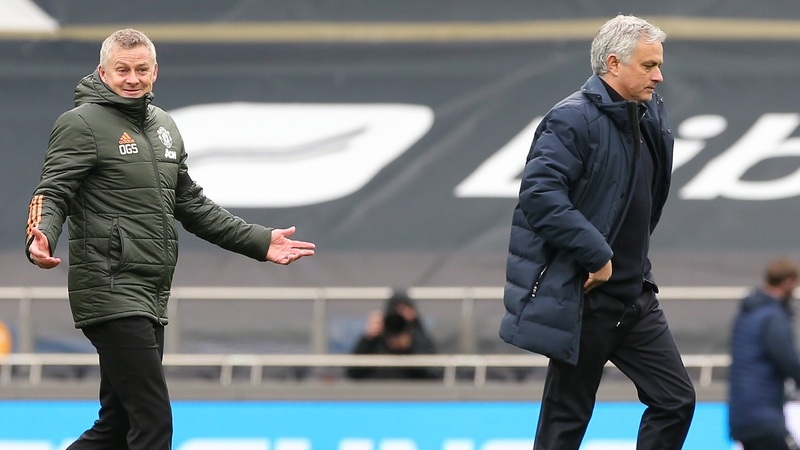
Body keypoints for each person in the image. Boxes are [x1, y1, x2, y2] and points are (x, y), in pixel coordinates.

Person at [25, 29, 315, 450]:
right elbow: (52, 192)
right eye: (122, 70)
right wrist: (42, 236)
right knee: (153, 420)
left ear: (155, 72)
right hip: (109, 288)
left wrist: (258, 240)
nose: (132, 78)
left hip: (150, 291)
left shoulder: (165, 127)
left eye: (141, 69)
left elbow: (192, 205)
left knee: (116, 426)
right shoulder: (81, 124)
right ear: (103, 72)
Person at [498, 15, 695, 449]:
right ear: (613, 63)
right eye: (649, 66)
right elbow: (539, 196)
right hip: (587, 297)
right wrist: (597, 254)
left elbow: (640, 202)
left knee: (676, 400)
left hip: (636, 295)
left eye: (659, 65)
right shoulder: (572, 119)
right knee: (565, 423)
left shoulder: (650, 115)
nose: (659, 76)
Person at [729, 258, 800, 450]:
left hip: (742, 416)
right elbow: (789, 360)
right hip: (764, 416)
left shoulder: (747, 313)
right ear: (789, 282)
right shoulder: (773, 316)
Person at [347, 291, 437, 379]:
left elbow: (434, 374)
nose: (400, 316)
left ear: (413, 313)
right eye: (396, 310)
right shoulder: (376, 340)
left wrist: (409, 348)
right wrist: (368, 339)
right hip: (378, 391)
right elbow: (353, 372)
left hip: (413, 392)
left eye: (405, 310)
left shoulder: (421, 339)